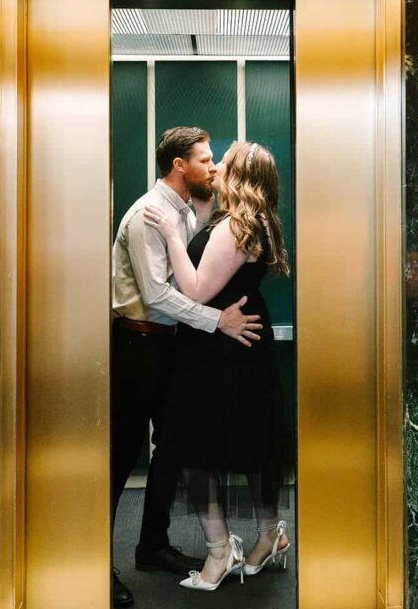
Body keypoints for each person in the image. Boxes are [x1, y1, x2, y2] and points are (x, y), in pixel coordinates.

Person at [111, 127, 264, 608]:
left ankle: (151, 546)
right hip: (137, 345)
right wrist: (217, 320)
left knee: (173, 447)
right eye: (205, 159)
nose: (214, 167)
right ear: (179, 165)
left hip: (169, 346)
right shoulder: (147, 215)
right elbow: (157, 294)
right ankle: (96, 561)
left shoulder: (184, 212)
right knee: (119, 455)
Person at [143, 140, 292, 592]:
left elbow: (195, 292)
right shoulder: (252, 220)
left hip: (219, 355)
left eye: (225, 160)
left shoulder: (237, 228)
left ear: (242, 175)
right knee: (251, 444)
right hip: (238, 346)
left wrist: (171, 234)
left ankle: (218, 554)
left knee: (200, 448)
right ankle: (270, 537)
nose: (218, 164)